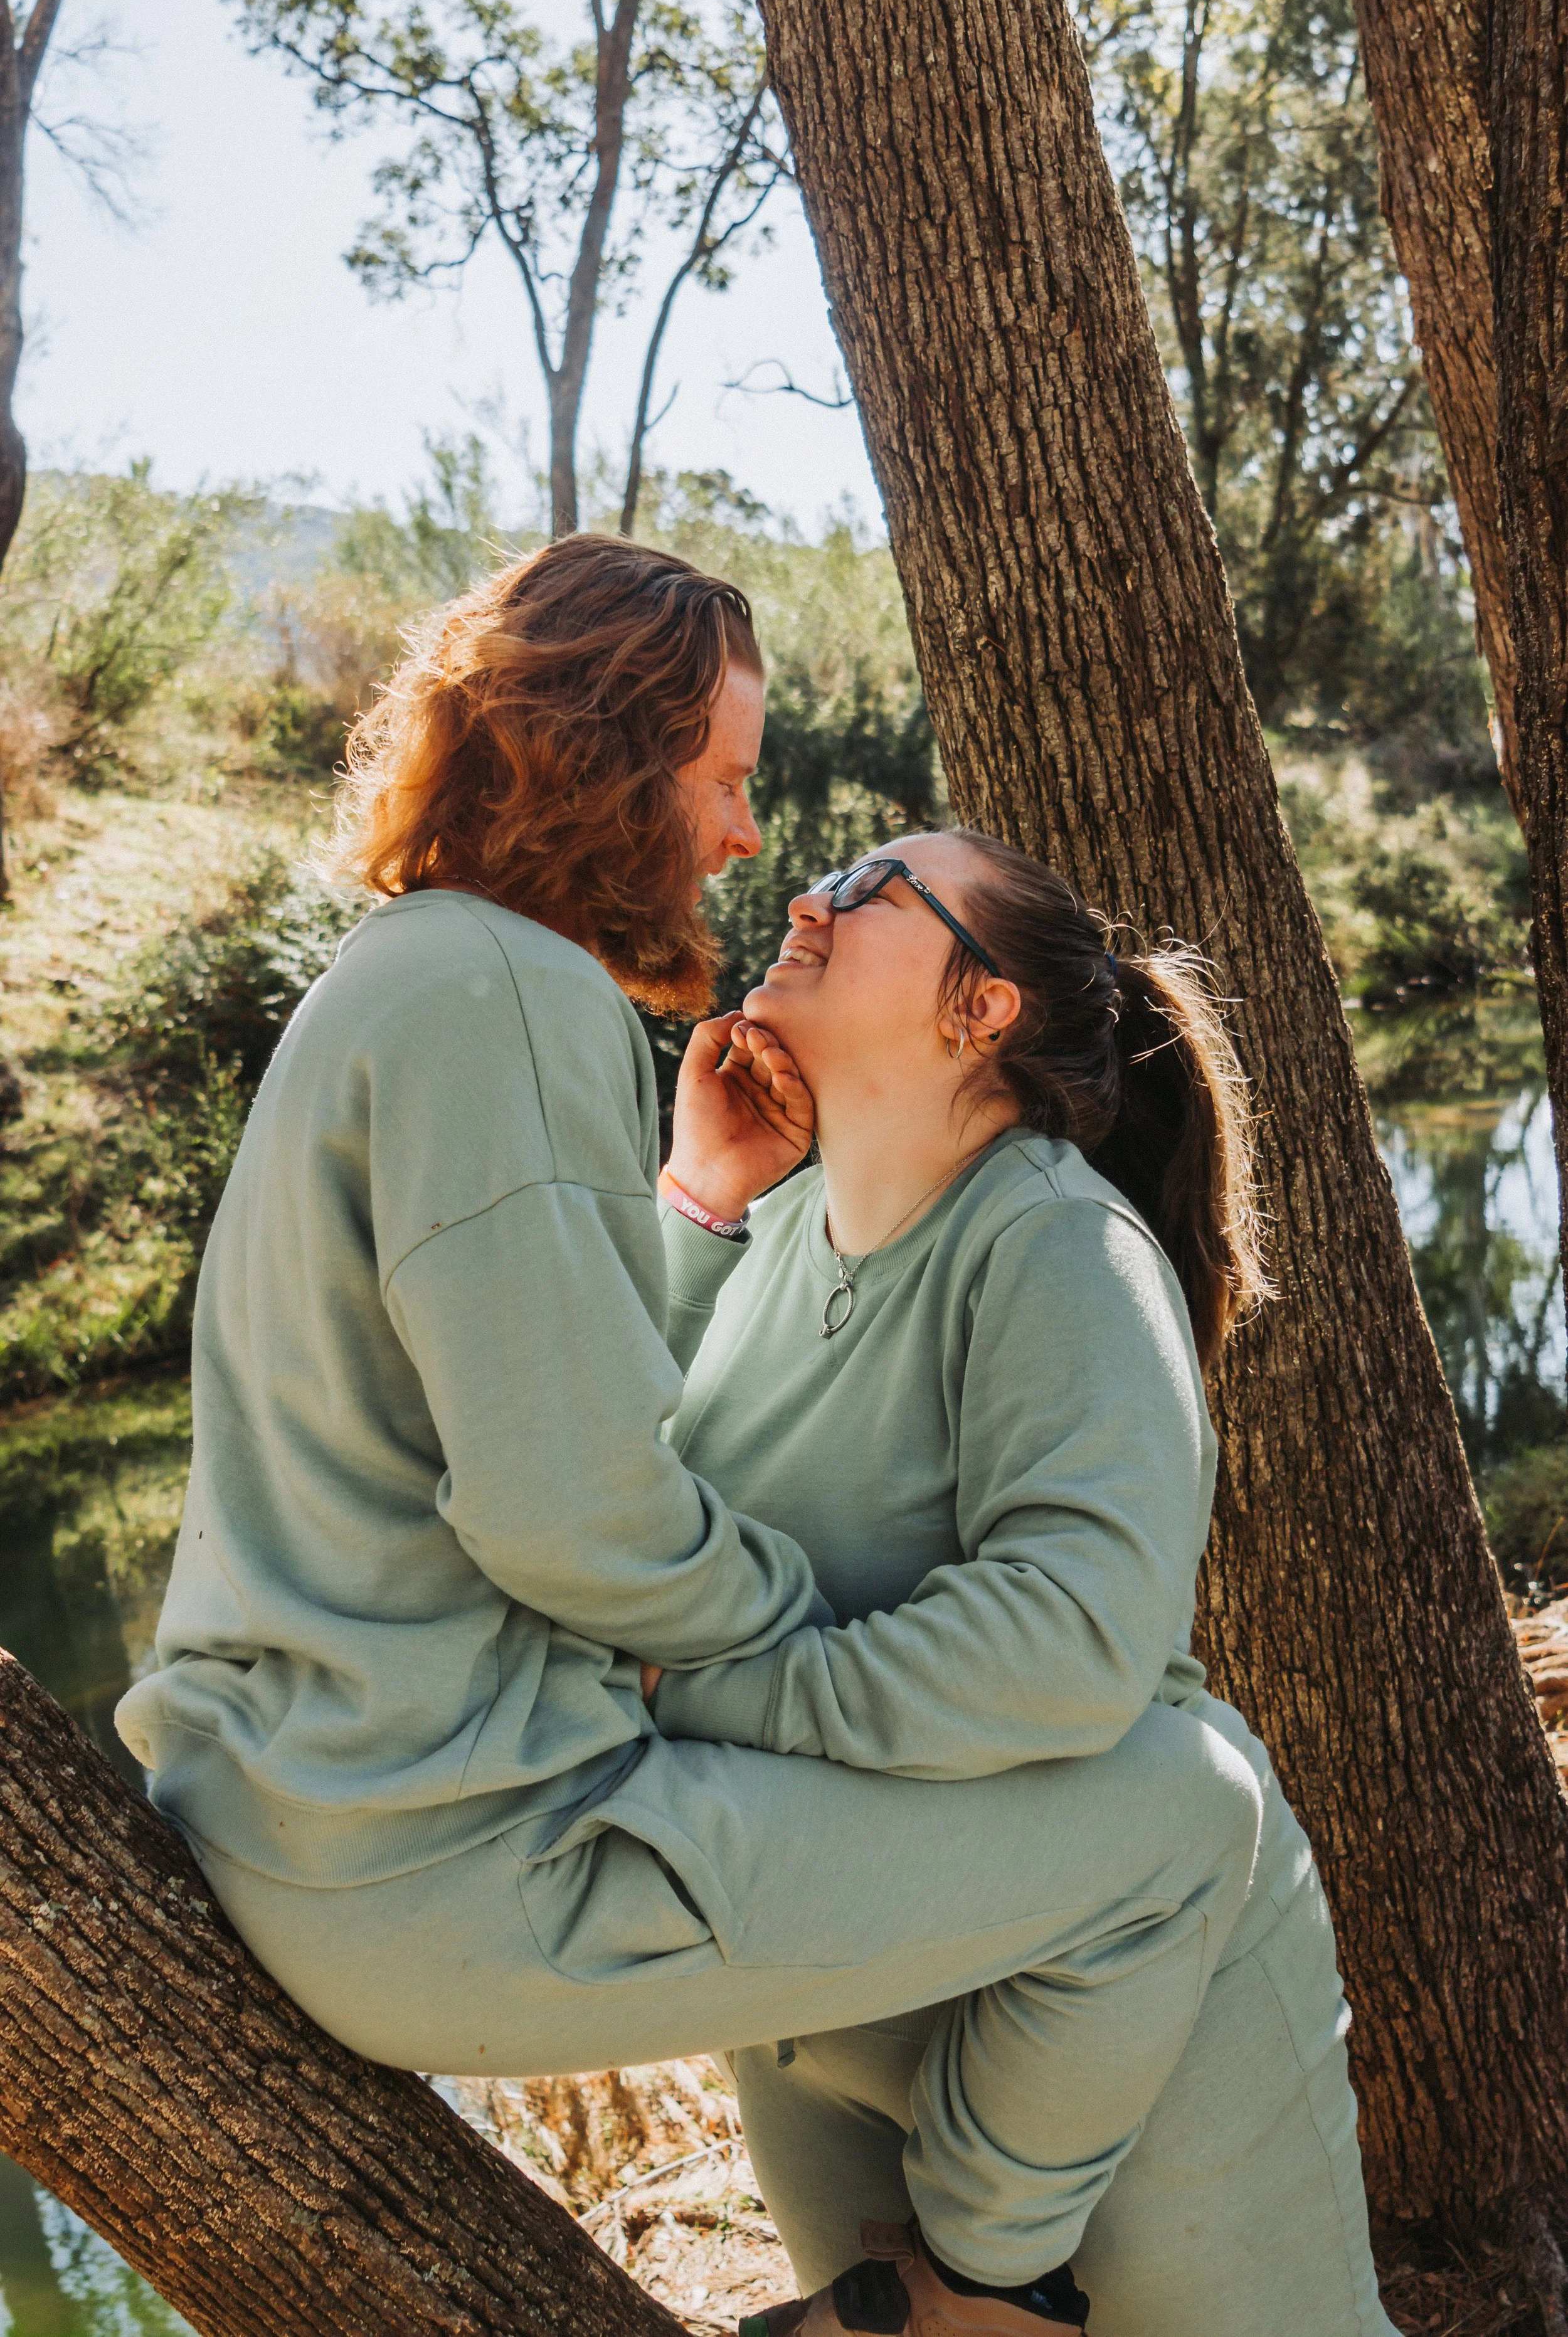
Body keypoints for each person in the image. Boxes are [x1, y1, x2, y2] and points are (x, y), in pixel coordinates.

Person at [117, 536, 1264, 2337]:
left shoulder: (410, 972)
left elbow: (526, 1402)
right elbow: (571, 1506)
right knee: (1188, 1809)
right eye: (723, 779)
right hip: (460, 1861)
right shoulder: (511, 991)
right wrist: (779, 1656)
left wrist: (698, 1196)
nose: (743, 838)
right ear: (603, 754)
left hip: (312, 1812)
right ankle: (965, 2298)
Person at [653, 828, 1397, 2337]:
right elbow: (610, 1486)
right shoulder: (771, 1226)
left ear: (977, 1008)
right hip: (830, 1983)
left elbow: (1069, 1641)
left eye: (867, 888)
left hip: (1109, 2010)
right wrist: (697, 1196)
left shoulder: (1055, 1242)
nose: (804, 898)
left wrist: (714, 1688)